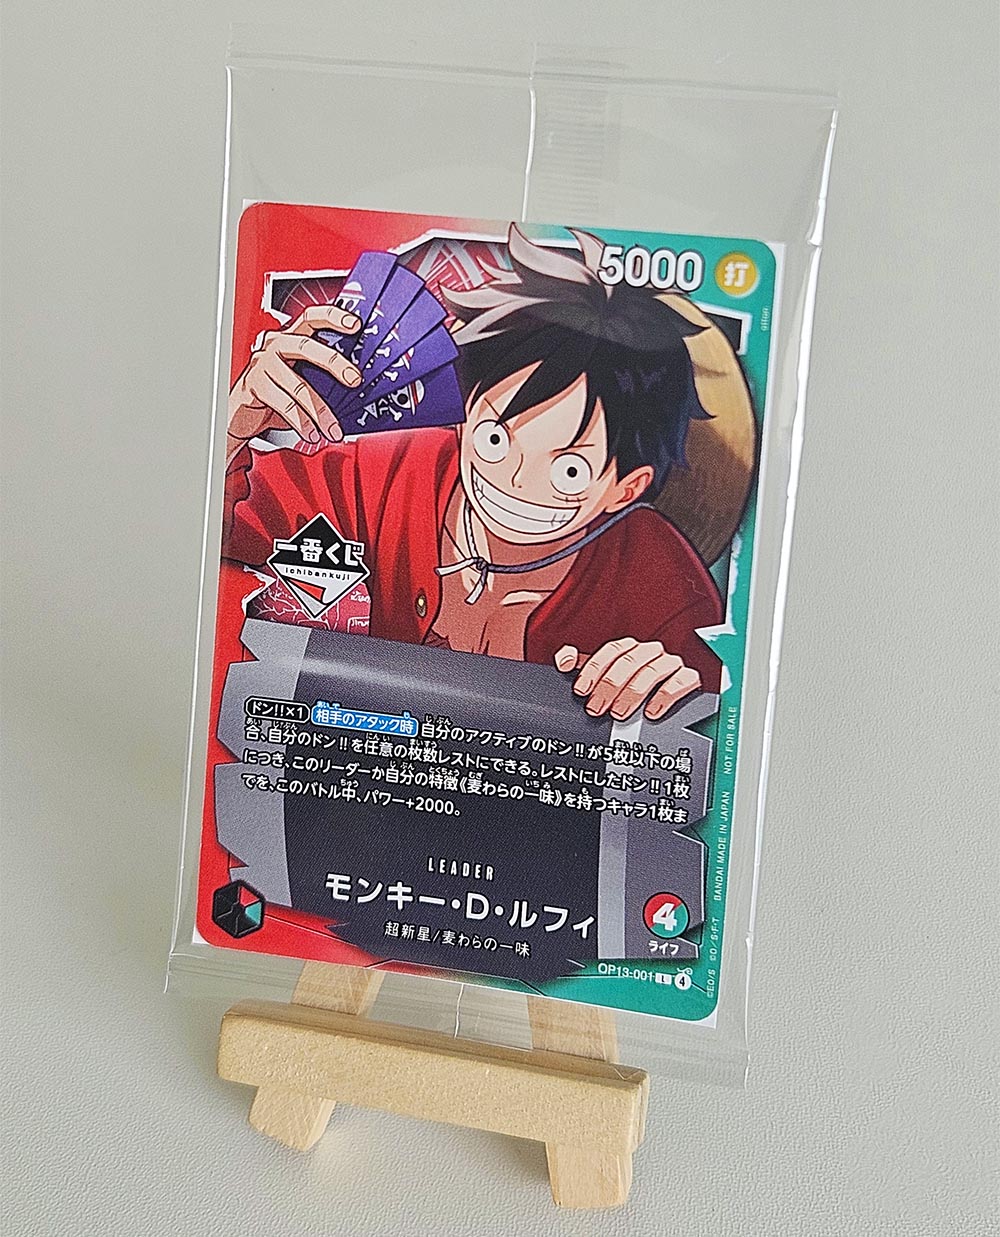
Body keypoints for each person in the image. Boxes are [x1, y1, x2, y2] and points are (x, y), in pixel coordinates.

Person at [224, 224, 723, 723]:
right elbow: (219, 530)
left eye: (569, 470)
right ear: (466, 417)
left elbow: (709, 722)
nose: (515, 480)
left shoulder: (662, 585)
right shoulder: (387, 474)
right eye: (495, 439)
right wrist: (231, 429)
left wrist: (672, 691)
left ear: (625, 489)